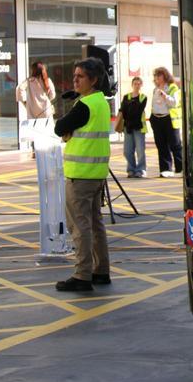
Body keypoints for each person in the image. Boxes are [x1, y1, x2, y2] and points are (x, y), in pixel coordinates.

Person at [54, 58, 112, 292]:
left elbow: (59, 127)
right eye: (74, 75)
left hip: (80, 175)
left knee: (80, 226)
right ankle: (101, 270)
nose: (75, 80)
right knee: (95, 224)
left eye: (80, 77)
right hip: (96, 174)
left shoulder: (84, 105)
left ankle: (82, 274)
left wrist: (67, 127)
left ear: (93, 80)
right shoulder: (101, 102)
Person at [149, 67, 183, 178]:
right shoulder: (155, 89)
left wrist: (165, 96)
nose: (157, 78)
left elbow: (174, 102)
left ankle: (180, 168)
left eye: (159, 75)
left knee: (175, 144)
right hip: (157, 119)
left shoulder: (172, 87)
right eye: (156, 76)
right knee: (161, 145)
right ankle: (165, 169)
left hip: (169, 119)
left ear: (165, 76)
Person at [114, 76, 149, 178]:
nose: (137, 86)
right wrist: (130, 107)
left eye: (139, 84)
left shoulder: (143, 97)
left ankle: (141, 170)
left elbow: (138, 110)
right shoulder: (126, 97)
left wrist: (129, 107)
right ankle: (131, 169)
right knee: (127, 151)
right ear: (132, 85)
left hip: (139, 127)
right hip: (128, 127)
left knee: (140, 150)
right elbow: (123, 110)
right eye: (135, 84)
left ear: (141, 85)